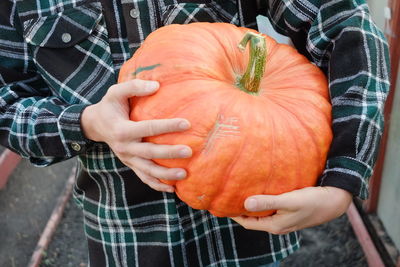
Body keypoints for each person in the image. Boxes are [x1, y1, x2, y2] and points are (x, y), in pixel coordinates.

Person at [0, 0, 390, 266]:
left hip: (250, 232)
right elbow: (7, 104)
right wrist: (85, 122)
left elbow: (344, 22)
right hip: (128, 239)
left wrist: (345, 177)